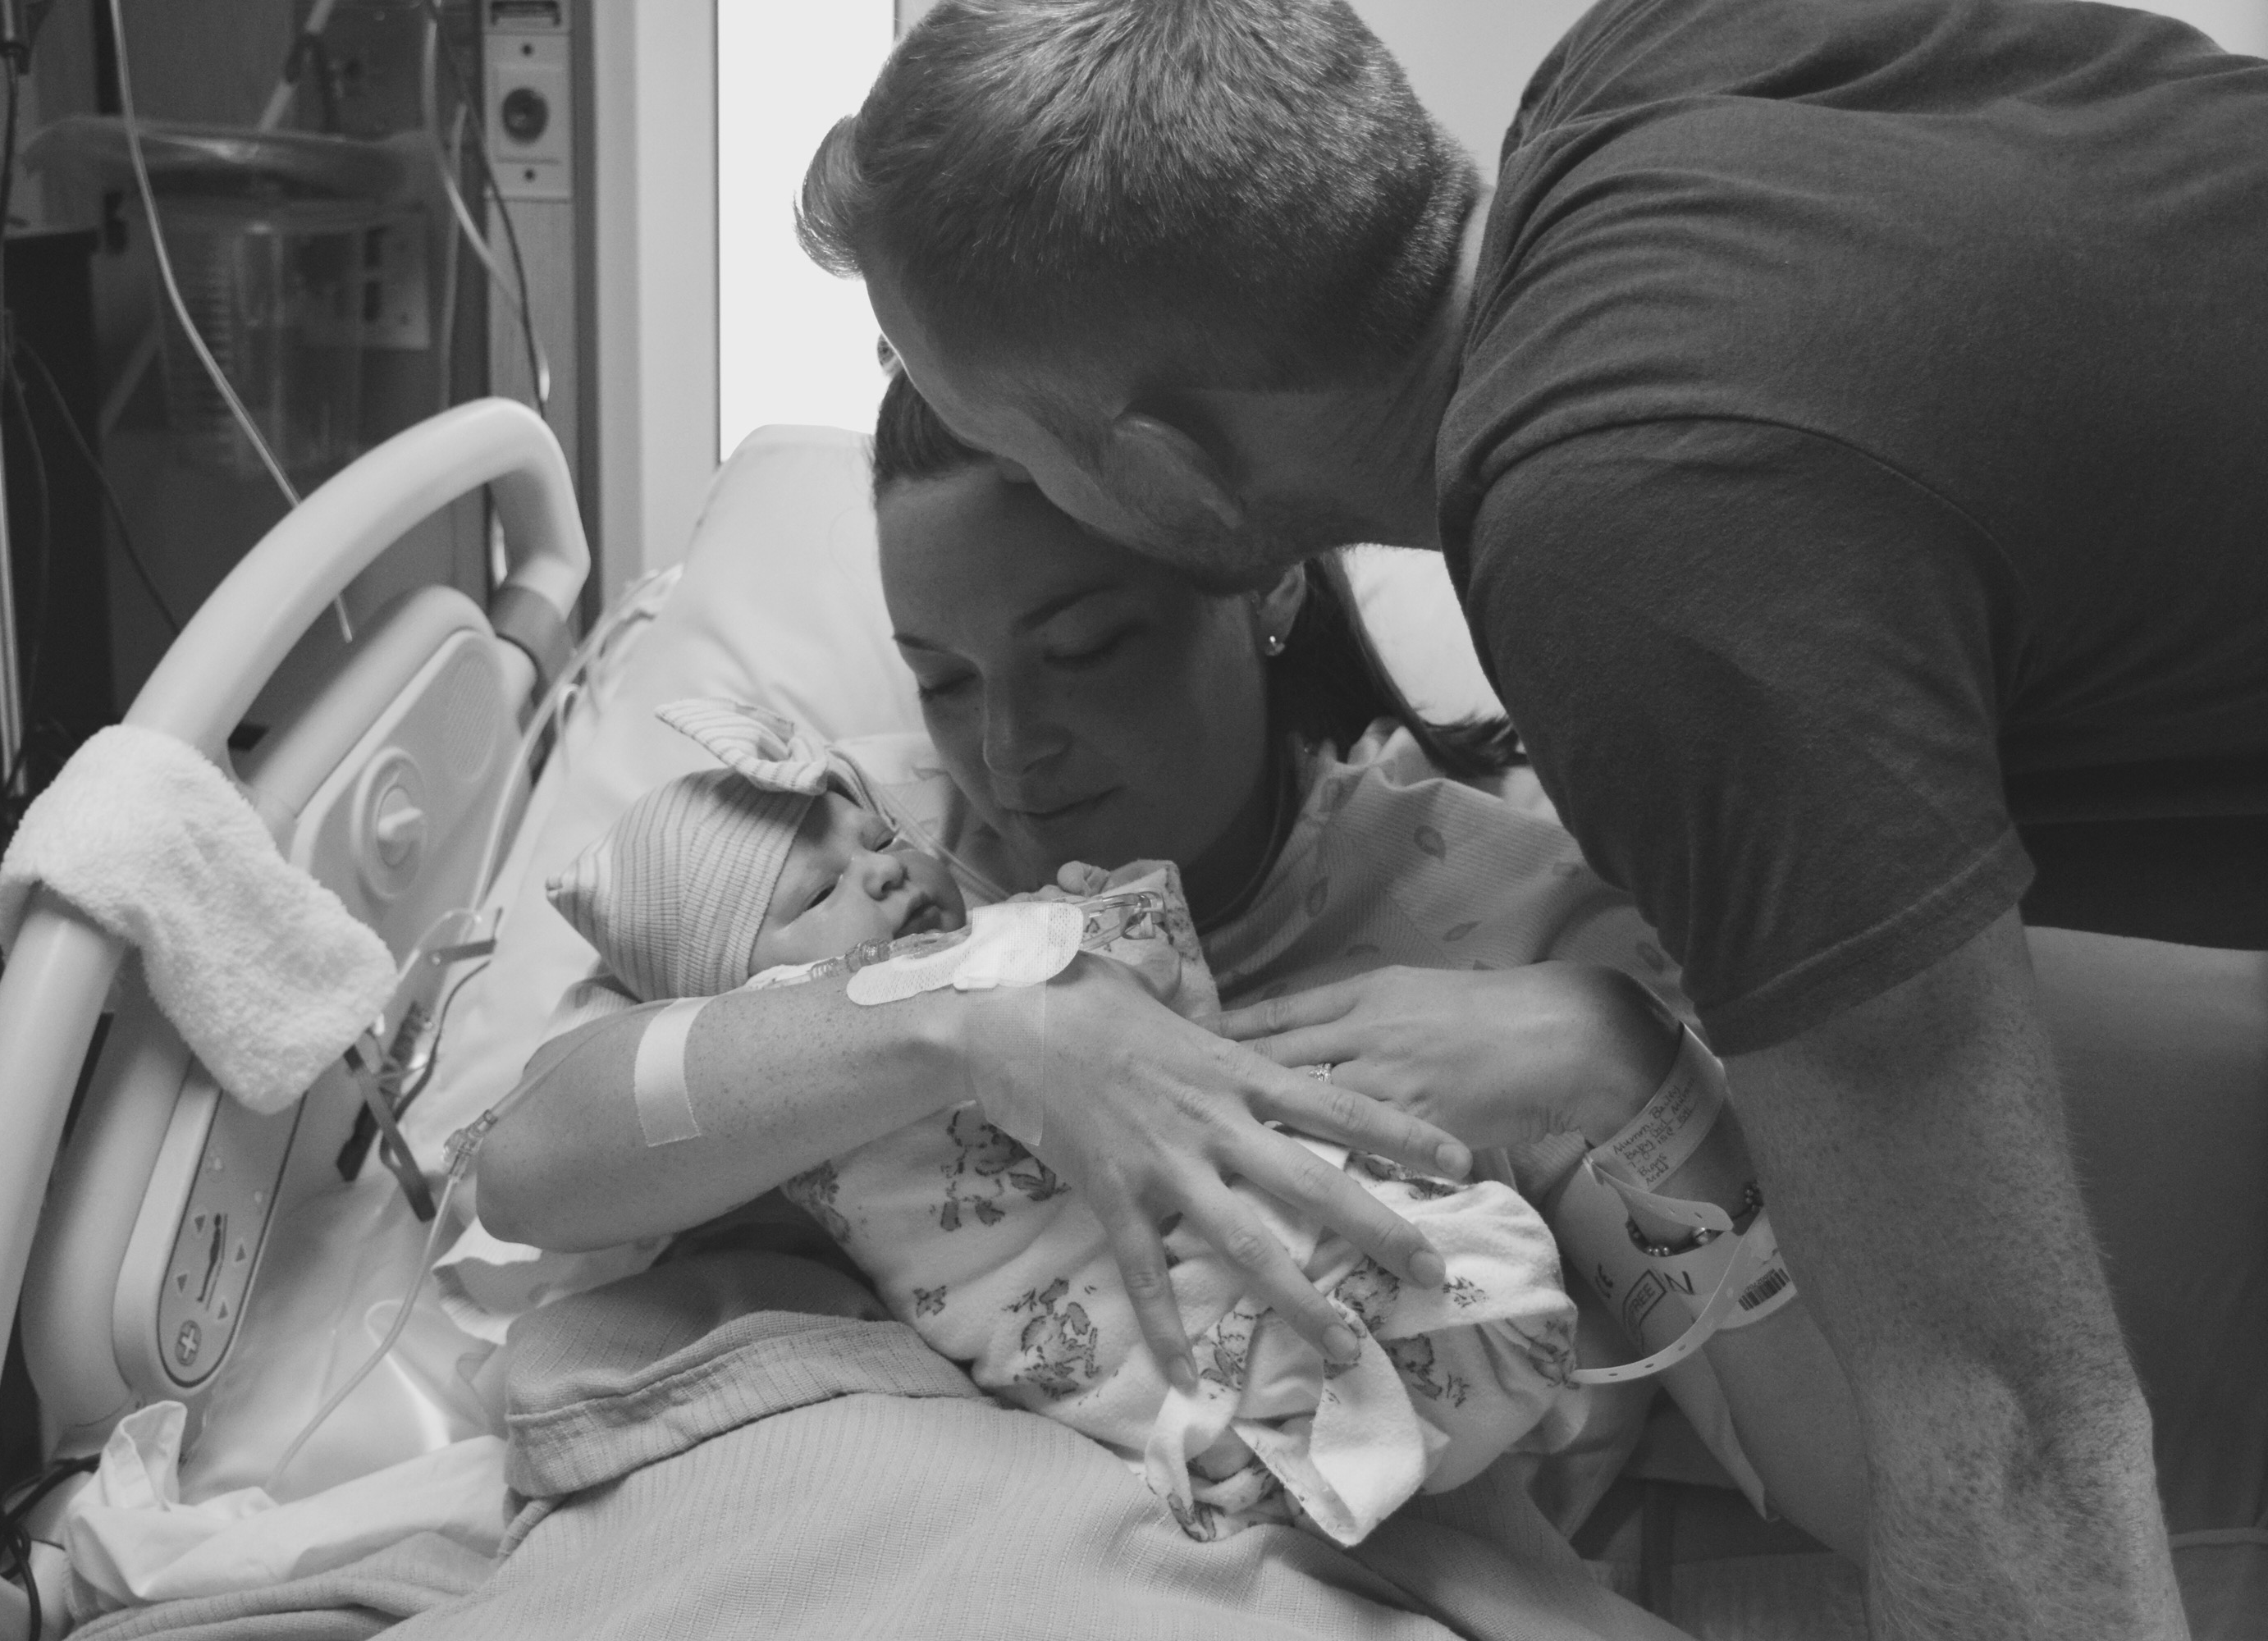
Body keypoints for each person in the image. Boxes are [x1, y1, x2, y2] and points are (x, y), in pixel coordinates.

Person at [791, 1, 2268, 1635]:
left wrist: (1628, 1078)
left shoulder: (1630, 556)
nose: (1008, 744)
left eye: (1012, 450)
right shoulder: (1661, 55)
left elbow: (2005, 1446)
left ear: (1169, 476)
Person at [483, 369, 1871, 1566]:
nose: (1010, 753)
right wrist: (977, 1026)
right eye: (944, 678)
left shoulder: (1491, 929)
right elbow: (531, 1161)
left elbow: (1858, 1489)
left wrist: (1624, 1067)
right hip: (862, 1525)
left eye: (1086, 650)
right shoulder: (872, 847)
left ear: (1265, 578)